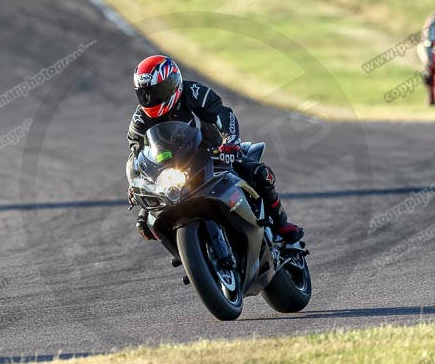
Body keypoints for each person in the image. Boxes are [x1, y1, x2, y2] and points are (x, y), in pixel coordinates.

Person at [126, 54, 304, 243]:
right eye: (144, 93)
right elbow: (135, 153)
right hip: (171, 172)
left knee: (258, 173)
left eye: (156, 91)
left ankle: (280, 223)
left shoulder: (193, 92)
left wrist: (230, 141)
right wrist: (134, 182)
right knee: (144, 223)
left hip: (214, 154)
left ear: (172, 84)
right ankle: (192, 257)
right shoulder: (139, 119)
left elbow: (221, 113)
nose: (149, 98)